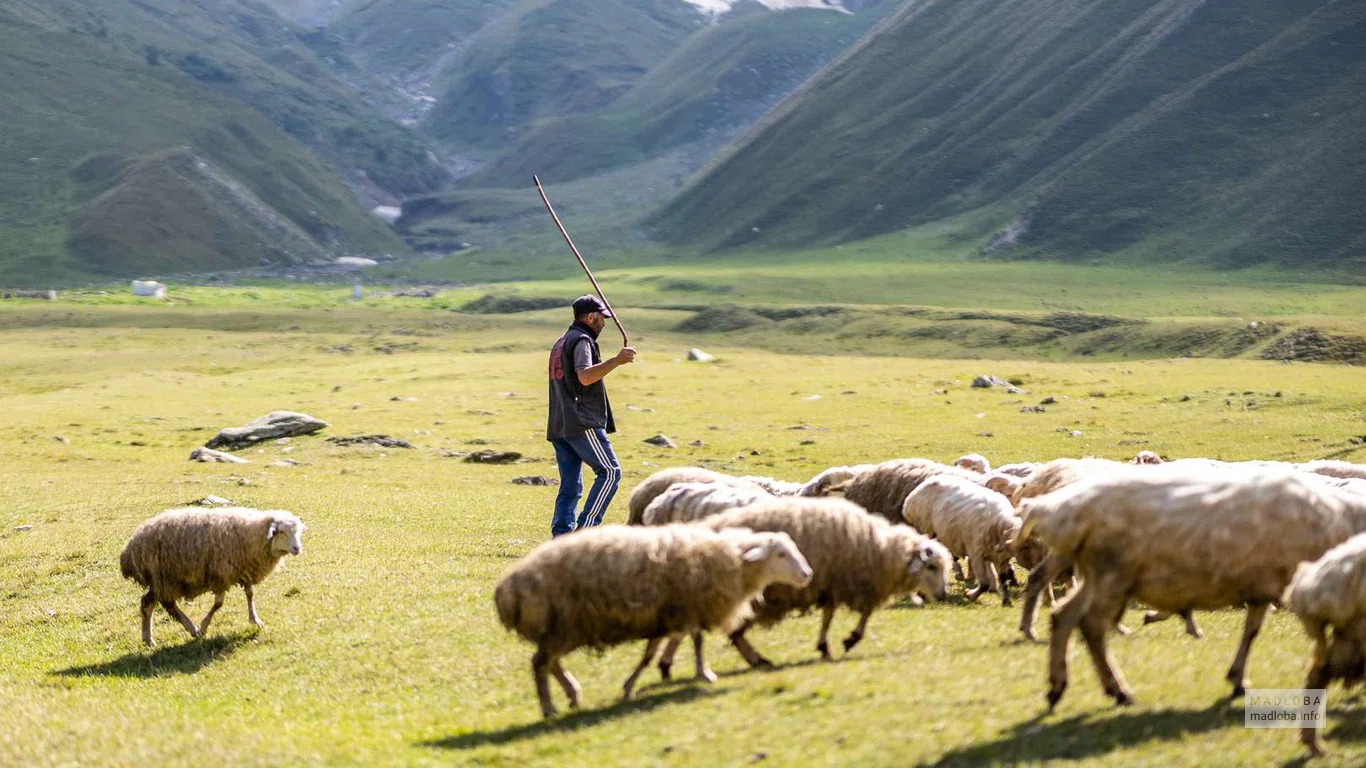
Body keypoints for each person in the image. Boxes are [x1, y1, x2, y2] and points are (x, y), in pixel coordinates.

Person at [546, 295, 637, 536]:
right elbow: (585, 376)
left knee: (570, 487)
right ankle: (585, 532)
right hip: (581, 421)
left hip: (559, 423)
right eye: (602, 318)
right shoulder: (582, 340)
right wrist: (616, 361)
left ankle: (562, 539)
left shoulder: (561, 340)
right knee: (610, 472)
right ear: (591, 316)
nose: (604, 323)